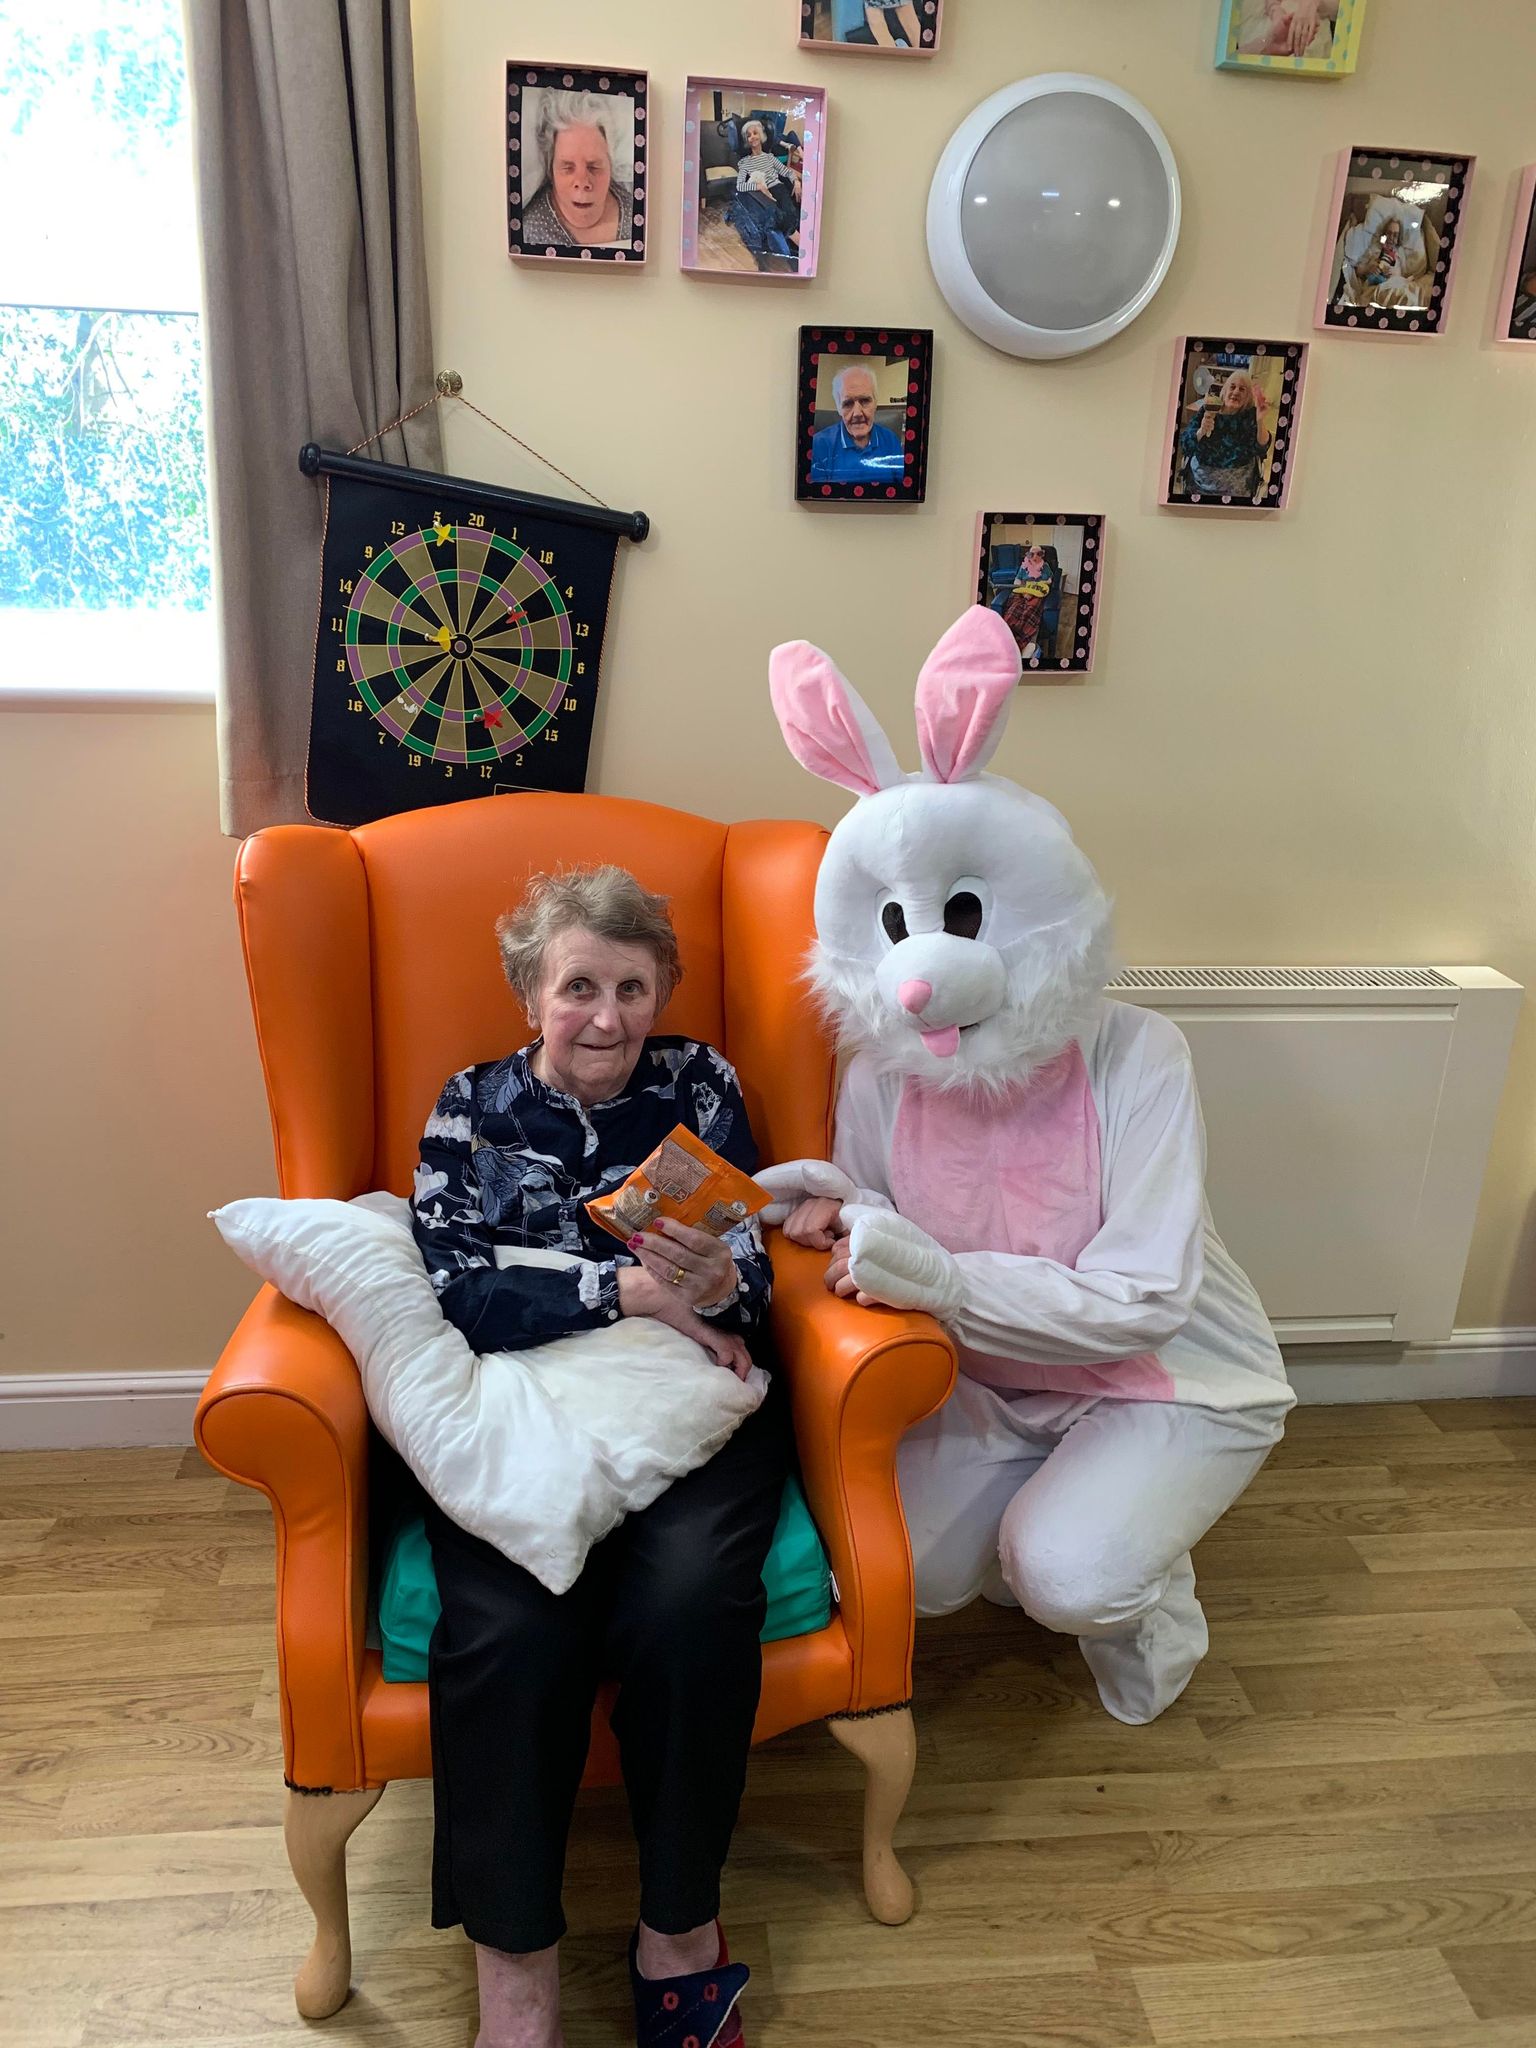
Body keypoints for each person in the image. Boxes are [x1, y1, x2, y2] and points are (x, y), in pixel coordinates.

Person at [762, 606, 1294, 1734]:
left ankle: (1141, 1591)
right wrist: (839, 1209)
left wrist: (946, 1281)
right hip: (987, 1383)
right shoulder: (884, 1071)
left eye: (960, 914)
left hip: (1165, 1379)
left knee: (1070, 1577)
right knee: (907, 1571)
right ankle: (1059, 1518)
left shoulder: (1141, 1052)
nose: (920, 968)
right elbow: (889, 1220)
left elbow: (1145, 1299)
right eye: (896, 927)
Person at [410, 866, 784, 2048]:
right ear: (530, 993)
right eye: (579, 987)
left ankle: (678, 1930)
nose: (608, 1018)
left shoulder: (699, 1083)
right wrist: (626, 1290)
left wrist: (715, 1284)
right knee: (512, 1626)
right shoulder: (471, 1107)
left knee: (689, 1603)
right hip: (521, 1402)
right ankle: (516, 1979)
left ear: (663, 987)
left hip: (688, 1399)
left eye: (633, 986)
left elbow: (748, 1277)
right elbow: (455, 1290)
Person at [521, 89, 634, 250]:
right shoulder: (531, 233)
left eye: (594, 167)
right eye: (567, 167)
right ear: (551, 171)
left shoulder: (636, 213)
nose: (582, 182)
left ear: (610, 165)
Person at [1178, 367, 1272, 499]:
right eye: (1232, 387)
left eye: (1242, 389)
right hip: (1200, 481)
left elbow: (1261, 448)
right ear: (1225, 390)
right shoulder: (1207, 410)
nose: (1236, 392)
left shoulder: (1250, 415)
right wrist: (1200, 432)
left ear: (1247, 397)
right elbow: (1185, 443)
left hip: (1237, 485)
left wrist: (1260, 420)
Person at [808, 365, 905, 483]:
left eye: (865, 400)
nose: (857, 413)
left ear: (875, 403)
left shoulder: (891, 440)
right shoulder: (817, 445)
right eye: (848, 403)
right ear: (838, 408)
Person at [726, 118, 800, 270]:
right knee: (779, 216)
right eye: (748, 135)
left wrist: (796, 182)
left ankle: (797, 249)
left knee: (791, 212)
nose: (752, 137)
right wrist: (757, 185)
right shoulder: (745, 162)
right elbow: (740, 185)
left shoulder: (770, 158)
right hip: (762, 193)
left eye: (755, 133)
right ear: (746, 140)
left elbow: (786, 172)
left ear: (761, 136)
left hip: (778, 188)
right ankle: (799, 249)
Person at [1001, 542, 1059, 662]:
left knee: (1030, 611)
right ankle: (1007, 641)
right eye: (1032, 554)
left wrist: (1035, 588)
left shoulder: (1045, 566)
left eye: (1039, 554)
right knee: (1013, 610)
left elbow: (1049, 580)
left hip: (1037, 593)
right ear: (1028, 555)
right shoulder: (1024, 566)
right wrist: (1024, 591)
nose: (1035, 557)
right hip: (1022, 592)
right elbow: (1017, 580)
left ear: (1042, 555)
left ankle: (1026, 643)